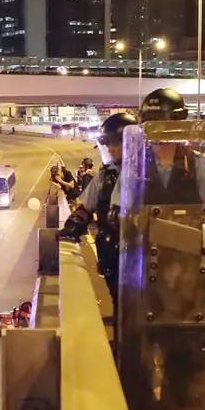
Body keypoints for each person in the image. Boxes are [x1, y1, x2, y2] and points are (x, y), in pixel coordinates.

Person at [60, 109, 141, 293]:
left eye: (115, 143)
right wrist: (72, 226)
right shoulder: (106, 176)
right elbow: (86, 207)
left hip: (143, 255)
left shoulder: (148, 173)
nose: (111, 149)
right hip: (113, 256)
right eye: (108, 144)